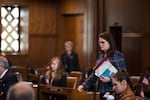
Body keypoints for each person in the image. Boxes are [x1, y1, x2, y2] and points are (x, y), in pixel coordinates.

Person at [77, 32, 127, 99]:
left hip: (113, 91)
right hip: (102, 90)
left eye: (103, 42)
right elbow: (95, 74)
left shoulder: (116, 55)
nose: (100, 45)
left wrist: (110, 78)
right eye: (99, 42)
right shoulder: (101, 56)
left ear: (110, 43)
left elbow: (123, 73)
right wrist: (84, 85)